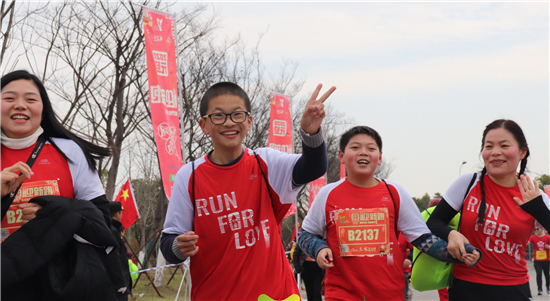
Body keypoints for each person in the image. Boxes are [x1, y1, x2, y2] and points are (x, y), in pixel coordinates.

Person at [160, 82, 336, 300]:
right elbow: (168, 244)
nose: (229, 123)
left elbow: (312, 168)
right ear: (203, 125)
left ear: (249, 121)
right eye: (218, 116)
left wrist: (311, 132)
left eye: (237, 115)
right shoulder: (190, 176)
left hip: (275, 295)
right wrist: (178, 246)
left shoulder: (266, 163)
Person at [298, 125, 481, 301]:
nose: (363, 152)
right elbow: (305, 235)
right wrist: (319, 249)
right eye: (355, 147)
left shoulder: (395, 193)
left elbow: (422, 239)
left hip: (389, 294)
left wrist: (460, 254)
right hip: (341, 294)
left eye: (371, 148)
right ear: (342, 156)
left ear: (379, 158)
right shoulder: (327, 194)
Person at [1, 70, 125, 300]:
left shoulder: (68, 151)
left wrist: (53, 214)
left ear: (43, 108)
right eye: (9, 98)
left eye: (30, 99)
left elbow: (101, 219)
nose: (19, 105)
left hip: (61, 282)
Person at [427, 119, 550, 301]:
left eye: (504, 145)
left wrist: (538, 208)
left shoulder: (534, 195)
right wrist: (451, 234)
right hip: (466, 289)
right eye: (489, 146)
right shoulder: (468, 183)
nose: (495, 152)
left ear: (523, 152)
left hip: (514, 290)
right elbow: (434, 222)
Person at [110, 201, 132, 301]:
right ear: (117, 214)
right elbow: (115, 258)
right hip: (117, 284)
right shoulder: (113, 232)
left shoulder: (112, 229)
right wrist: (121, 284)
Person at [528, 224, 550, 295]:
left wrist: (549, 247)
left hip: (546, 259)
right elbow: (527, 242)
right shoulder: (533, 237)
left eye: (538, 229)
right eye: (535, 229)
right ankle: (539, 289)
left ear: (542, 229)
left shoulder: (547, 237)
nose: (536, 231)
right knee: (539, 273)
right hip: (537, 259)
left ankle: (548, 287)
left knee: (547, 274)